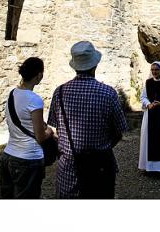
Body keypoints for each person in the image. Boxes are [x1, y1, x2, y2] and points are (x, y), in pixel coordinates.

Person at [47, 41, 128, 199]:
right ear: (95, 65)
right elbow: (119, 132)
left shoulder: (60, 92)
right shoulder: (109, 93)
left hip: (69, 168)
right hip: (100, 167)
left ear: (75, 66)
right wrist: (104, 146)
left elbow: (56, 128)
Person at [0, 57, 53, 199]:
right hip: (28, 158)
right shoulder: (34, 99)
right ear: (39, 75)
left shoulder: (12, 94)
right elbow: (40, 136)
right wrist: (50, 131)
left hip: (8, 155)